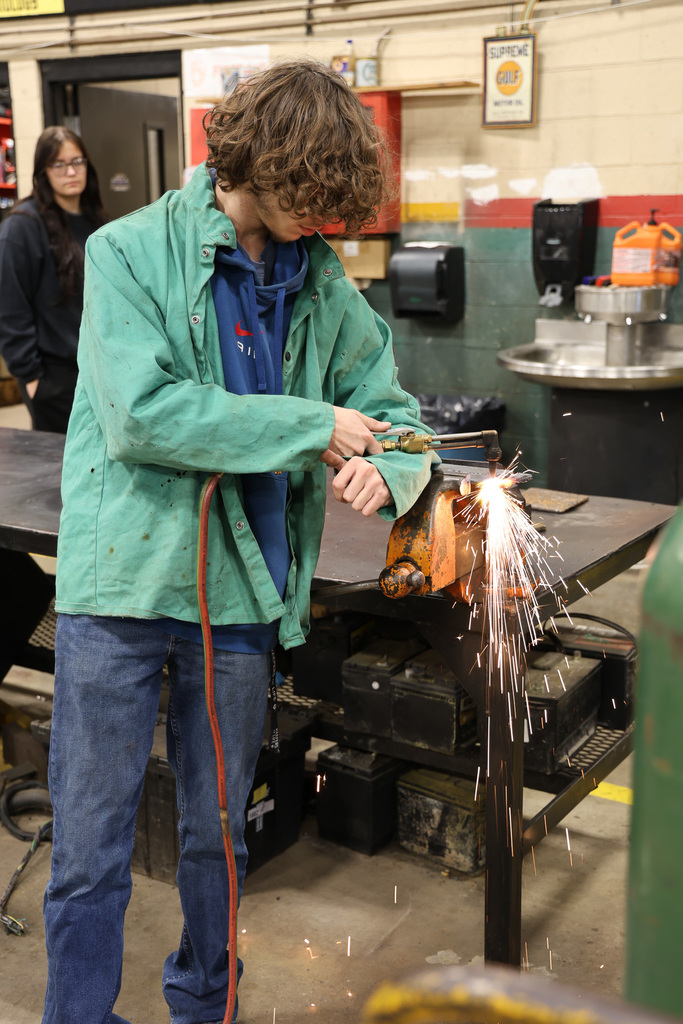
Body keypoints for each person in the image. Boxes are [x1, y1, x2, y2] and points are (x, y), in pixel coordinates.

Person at [43, 58, 435, 1024]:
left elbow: (401, 421)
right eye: (311, 198)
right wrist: (314, 426)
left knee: (216, 838)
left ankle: (205, 1005)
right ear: (257, 165)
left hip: (243, 598)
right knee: (91, 849)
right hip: (124, 587)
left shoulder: (320, 283)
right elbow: (143, 416)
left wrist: (386, 471)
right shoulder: (128, 252)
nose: (325, 221)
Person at [0, 126, 106, 433]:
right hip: (53, 375)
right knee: (61, 460)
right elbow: (9, 308)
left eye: (77, 161)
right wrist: (31, 378)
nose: (71, 172)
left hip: (96, 368)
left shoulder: (95, 219)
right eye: (59, 164)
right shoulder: (22, 227)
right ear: (43, 171)